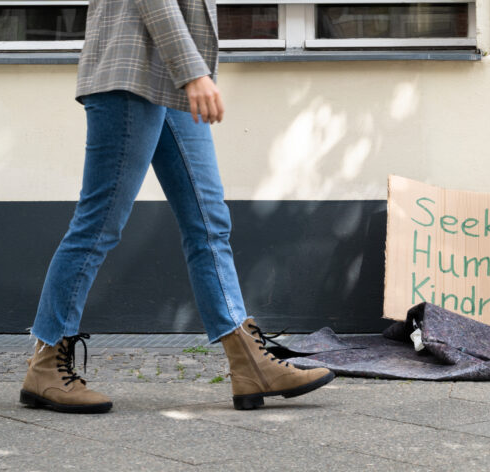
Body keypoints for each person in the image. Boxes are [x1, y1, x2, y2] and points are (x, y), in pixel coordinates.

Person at [19, 0, 333, 414]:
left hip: (169, 79)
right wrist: (193, 71)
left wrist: (187, 72)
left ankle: (249, 363)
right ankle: (46, 363)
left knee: (209, 221)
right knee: (100, 224)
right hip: (129, 73)